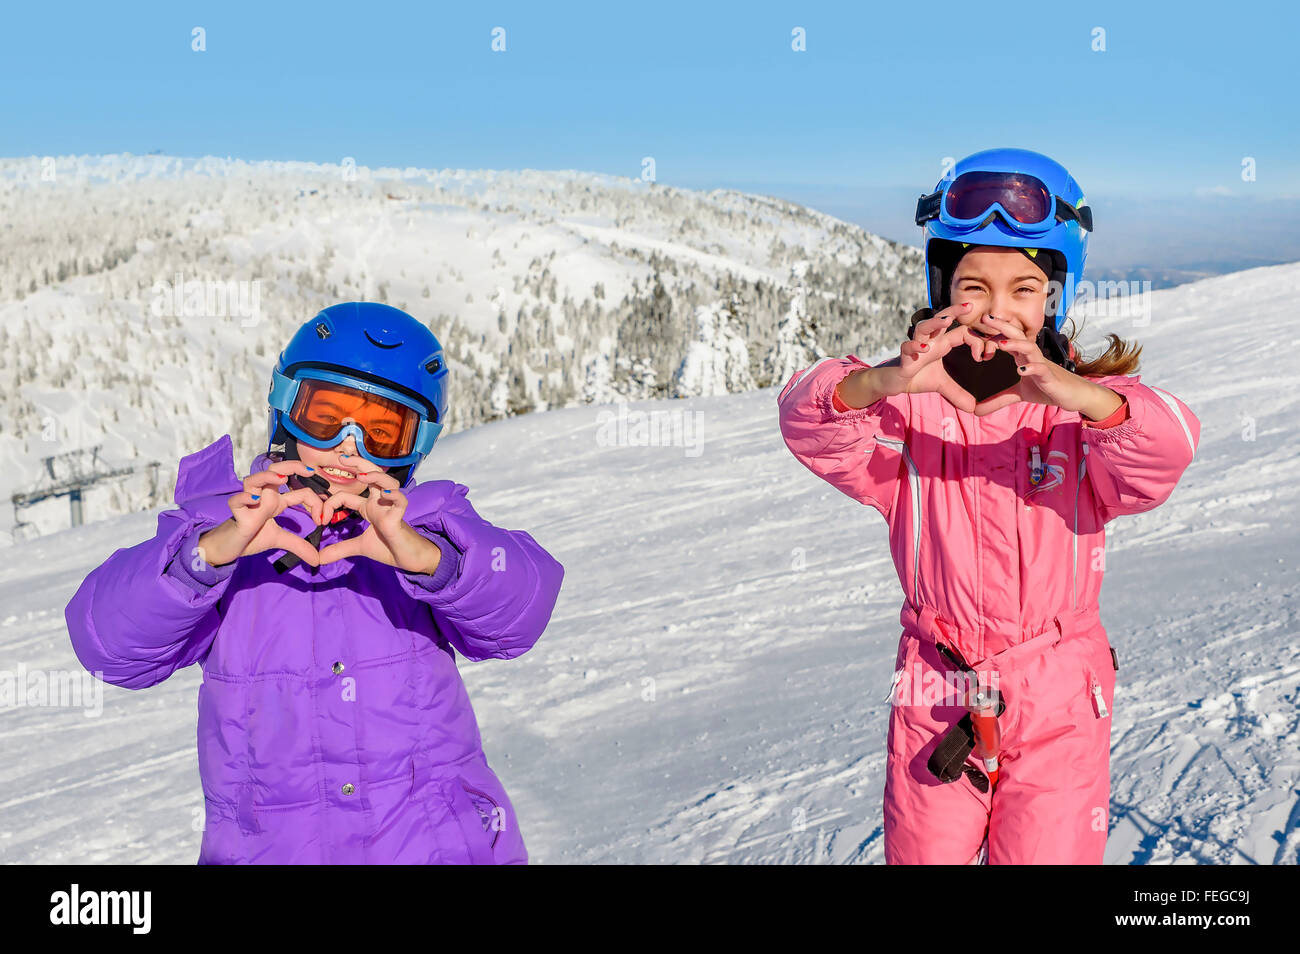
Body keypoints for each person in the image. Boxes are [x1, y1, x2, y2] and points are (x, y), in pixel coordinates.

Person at [777, 148, 1200, 864]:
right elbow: (807, 417)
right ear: (943, 286)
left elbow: (1165, 449)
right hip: (934, 690)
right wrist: (887, 381)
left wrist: (1071, 393)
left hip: (1059, 694)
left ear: (1054, 298)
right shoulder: (913, 412)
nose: (998, 310)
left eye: (1025, 288)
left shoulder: (1079, 419)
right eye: (974, 285)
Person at [65, 301, 564, 864]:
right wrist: (208, 555)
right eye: (326, 418)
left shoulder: (426, 524)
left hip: (431, 847)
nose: (350, 447)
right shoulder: (225, 527)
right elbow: (110, 647)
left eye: (383, 432)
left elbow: (520, 610)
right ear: (285, 408)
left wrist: (431, 560)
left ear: (415, 445)